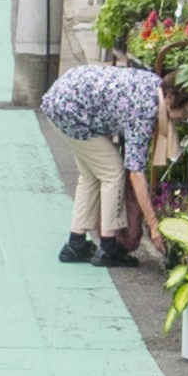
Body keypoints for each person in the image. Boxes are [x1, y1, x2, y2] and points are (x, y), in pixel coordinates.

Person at [40, 50, 173, 267]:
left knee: (90, 174)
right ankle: (108, 247)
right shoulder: (146, 110)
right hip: (73, 112)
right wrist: (154, 226)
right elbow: (136, 174)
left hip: (61, 99)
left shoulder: (154, 83)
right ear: (170, 98)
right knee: (114, 172)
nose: (185, 118)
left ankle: (76, 243)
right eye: (184, 111)